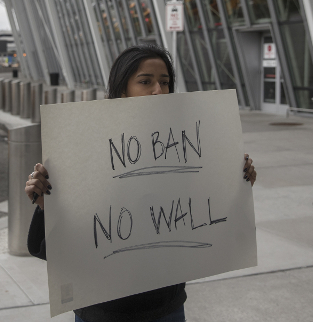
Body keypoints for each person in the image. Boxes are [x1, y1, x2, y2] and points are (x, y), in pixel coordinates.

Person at [25, 44, 257, 322]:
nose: (158, 90)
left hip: (166, 306)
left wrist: (237, 182)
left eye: (165, 82)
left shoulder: (192, 149)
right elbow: (51, 247)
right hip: (104, 309)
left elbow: (209, 219)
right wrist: (46, 205)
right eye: (145, 81)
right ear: (122, 90)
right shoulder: (85, 149)